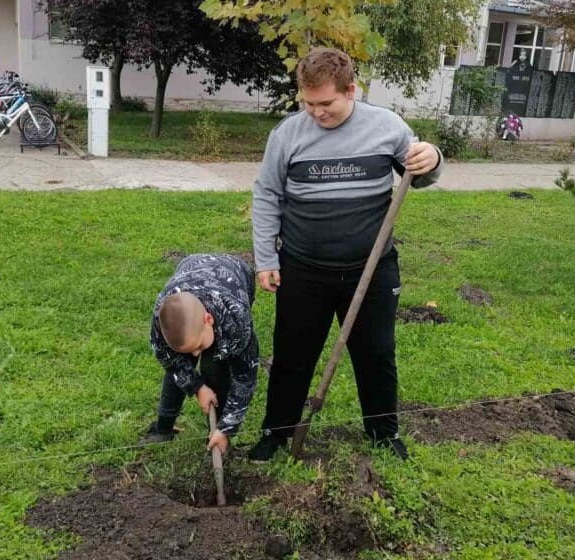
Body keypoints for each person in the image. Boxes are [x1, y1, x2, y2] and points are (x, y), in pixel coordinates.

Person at [248, 47, 444, 462]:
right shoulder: (287, 135)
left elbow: (420, 176)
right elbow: (267, 195)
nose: (316, 113)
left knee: (375, 353)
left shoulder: (387, 126)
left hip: (370, 269)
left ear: (351, 90)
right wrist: (266, 258)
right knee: (291, 355)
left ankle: (383, 432)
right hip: (303, 267)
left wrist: (433, 158)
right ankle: (276, 432)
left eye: (326, 103)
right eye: (308, 103)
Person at [143, 254, 259, 455]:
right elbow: (170, 361)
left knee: (216, 367)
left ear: (208, 319)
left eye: (198, 346)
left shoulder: (237, 320)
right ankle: (163, 427)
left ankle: (217, 436)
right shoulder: (160, 320)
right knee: (180, 365)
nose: (196, 353)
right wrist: (197, 387)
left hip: (236, 273)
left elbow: (244, 379)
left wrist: (227, 428)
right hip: (191, 265)